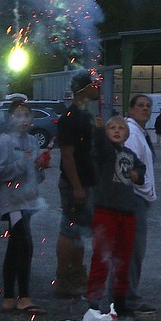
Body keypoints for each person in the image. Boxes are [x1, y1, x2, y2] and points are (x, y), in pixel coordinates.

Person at [0, 96, 51, 315]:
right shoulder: (6, 141)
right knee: (25, 246)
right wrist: (23, 162)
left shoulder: (33, 141)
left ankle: (9, 298)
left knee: (16, 248)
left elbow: (35, 177)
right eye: (18, 115)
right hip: (11, 202)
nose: (23, 120)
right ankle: (23, 297)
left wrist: (40, 167)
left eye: (27, 115)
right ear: (10, 118)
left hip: (28, 201)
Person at [87, 115, 147, 317]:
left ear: (127, 133)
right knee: (101, 257)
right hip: (106, 210)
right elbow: (98, 146)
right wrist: (97, 130)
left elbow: (141, 168)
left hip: (127, 212)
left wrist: (137, 175)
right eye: (112, 127)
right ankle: (94, 303)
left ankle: (120, 302)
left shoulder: (129, 154)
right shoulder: (104, 152)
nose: (117, 130)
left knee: (123, 258)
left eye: (121, 127)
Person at [54, 71, 99, 299]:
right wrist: (77, 187)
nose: (98, 87)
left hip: (86, 182)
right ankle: (63, 278)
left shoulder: (85, 116)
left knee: (80, 230)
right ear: (83, 89)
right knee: (69, 229)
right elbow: (67, 156)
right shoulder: (70, 118)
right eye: (94, 84)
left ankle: (76, 275)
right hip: (75, 184)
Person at [124, 94, 158, 315]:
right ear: (131, 109)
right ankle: (129, 297)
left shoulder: (140, 133)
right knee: (133, 250)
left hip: (140, 197)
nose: (145, 110)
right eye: (141, 106)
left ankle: (128, 295)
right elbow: (130, 168)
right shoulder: (131, 134)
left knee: (135, 250)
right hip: (134, 198)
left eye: (148, 106)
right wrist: (141, 188)